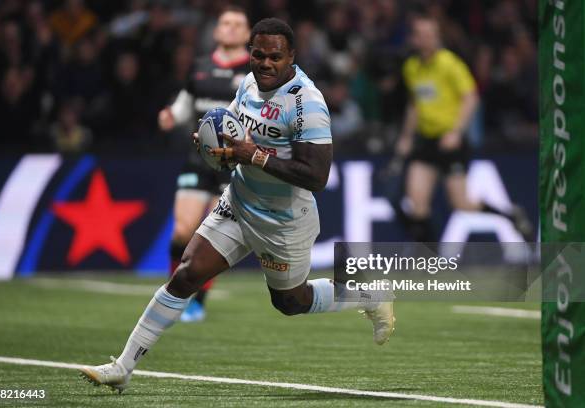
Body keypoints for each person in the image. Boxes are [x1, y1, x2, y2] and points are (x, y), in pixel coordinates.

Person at [79, 18, 395, 393]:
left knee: (290, 302)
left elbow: (316, 176)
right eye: (258, 54)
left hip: (284, 220)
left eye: (274, 56)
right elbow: (229, 128)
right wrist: (212, 142)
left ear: (291, 56)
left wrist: (254, 155)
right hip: (240, 202)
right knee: (185, 274)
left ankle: (369, 295)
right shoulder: (247, 83)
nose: (264, 63)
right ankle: (122, 367)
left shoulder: (306, 102)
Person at [394, 15, 532, 242]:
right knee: (416, 203)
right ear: (414, 39)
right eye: (421, 35)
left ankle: (510, 215)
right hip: (427, 140)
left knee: (462, 204)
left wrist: (456, 131)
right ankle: (430, 261)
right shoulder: (412, 67)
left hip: (451, 142)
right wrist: (407, 136)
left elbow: (471, 98)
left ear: (437, 37)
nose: (426, 39)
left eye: (430, 35)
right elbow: (414, 104)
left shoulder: (450, 63)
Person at [157, 6, 251, 322]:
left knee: (208, 238)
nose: (232, 28)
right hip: (196, 161)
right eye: (226, 23)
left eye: (239, 24)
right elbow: (184, 105)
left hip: (232, 166)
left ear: (248, 34)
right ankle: (176, 290)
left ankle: (197, 300)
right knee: (182, 232)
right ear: (216, 31)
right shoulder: (198, 68)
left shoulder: (253, 75)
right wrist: (171, 115)